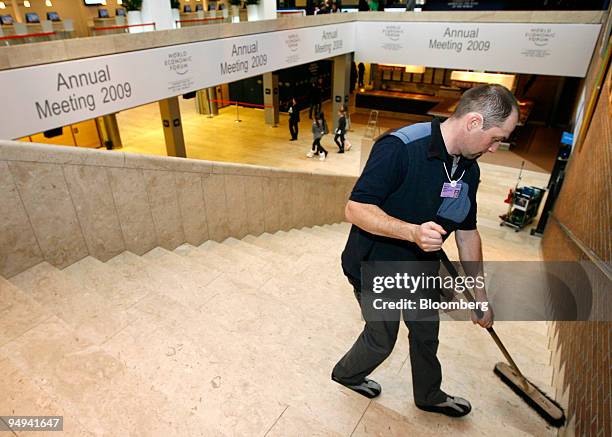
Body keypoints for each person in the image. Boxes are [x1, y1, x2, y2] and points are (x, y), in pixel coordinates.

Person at [332, 84, 519, 417]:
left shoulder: (468, 169)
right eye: (496, 138)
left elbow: (467, 233)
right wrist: (412, 232)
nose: (495, 148)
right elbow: (356, 208)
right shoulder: (401, 148)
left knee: (425, 334)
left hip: (420, 271)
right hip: (374, 267)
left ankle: (429, 395)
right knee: (381, 339)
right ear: (474, 122)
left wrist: (480, 296)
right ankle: (347, 373)